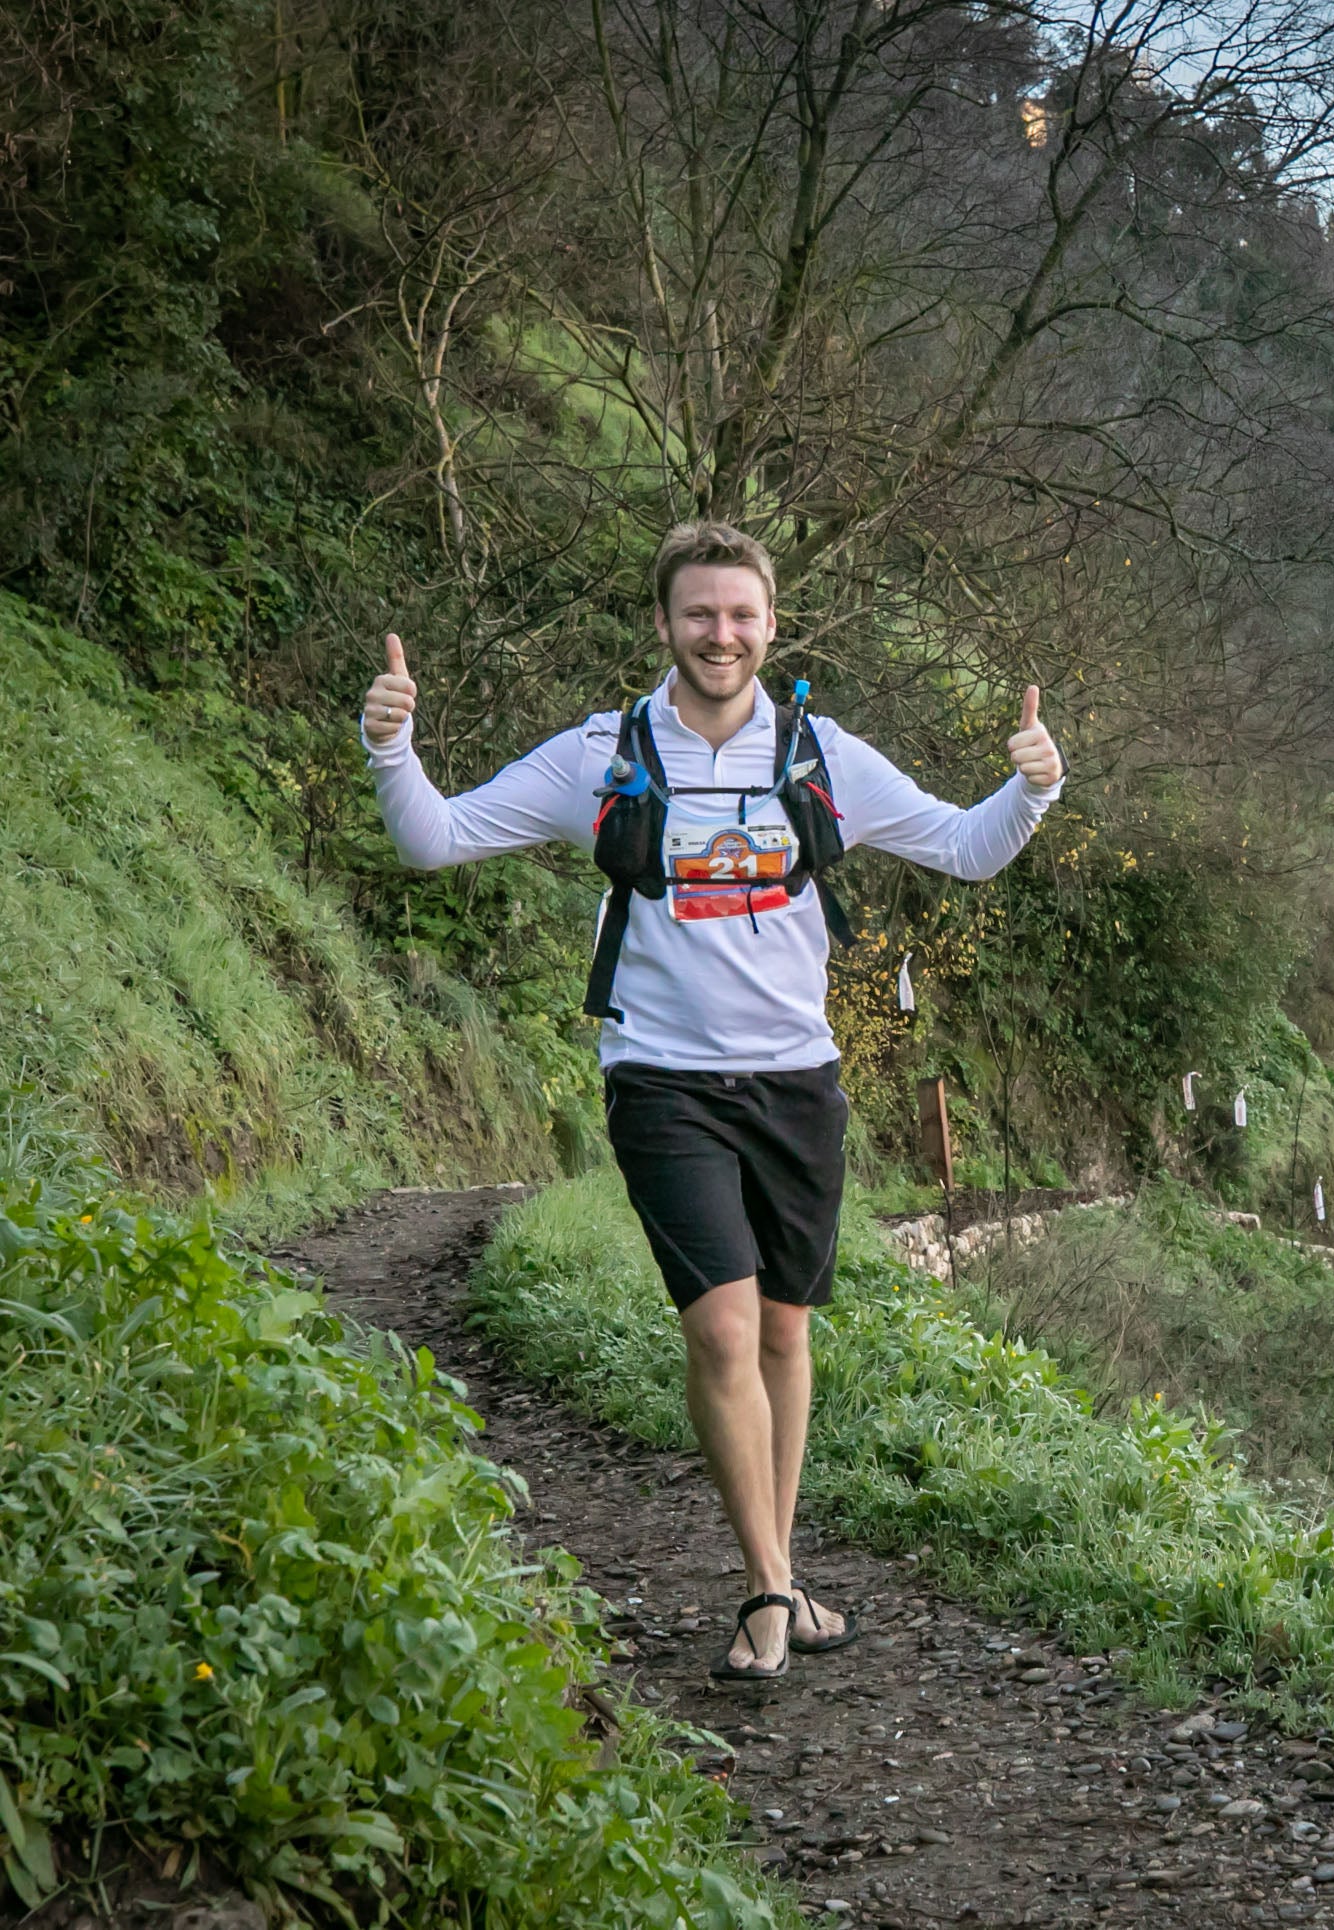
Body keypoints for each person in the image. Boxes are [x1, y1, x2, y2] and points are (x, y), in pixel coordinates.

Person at [360, 521, 1063, 1680]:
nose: (720, 634)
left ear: (770, 623)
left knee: (785, 1330)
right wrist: (393, 748)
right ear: (664, 625)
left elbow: (964, 847)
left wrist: (1034, 786)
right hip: (663, 1080)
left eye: (740, 614)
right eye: (699, 614)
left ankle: (780, 1572)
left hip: (797, 1079)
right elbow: (436, 838)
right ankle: (767, 1585)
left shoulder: (821, 752)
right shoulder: (602, 751)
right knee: (723, 1325)